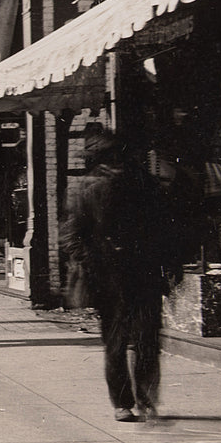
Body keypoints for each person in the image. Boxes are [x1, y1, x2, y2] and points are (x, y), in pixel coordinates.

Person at [63, 130, 182, 423]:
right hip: (109, 277)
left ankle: (143, 397)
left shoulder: (146, 186)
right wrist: (92, 263)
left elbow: (165, 229)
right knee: (118, 342)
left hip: (143, 272)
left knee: (146, 339)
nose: (118, 162)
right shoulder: (89, 190)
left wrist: (169, 262)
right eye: (111, 157)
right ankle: (123, 401)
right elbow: (73, 235)